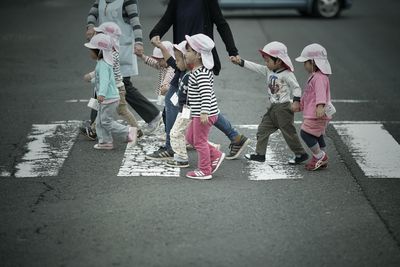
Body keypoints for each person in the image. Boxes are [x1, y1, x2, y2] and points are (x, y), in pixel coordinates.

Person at [149, 0, 249, 160]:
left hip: (198, 59)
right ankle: (236, 137)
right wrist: (155, 33)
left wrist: (232, 50)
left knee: (175, 101)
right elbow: (167, 19)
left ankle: (171, 147)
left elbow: (221, 23)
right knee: (197, 104)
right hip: (183, 58)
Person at [86, 0, 162, 135]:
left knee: (122, 84)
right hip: (105, 48)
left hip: (122, 49)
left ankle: (153, 116)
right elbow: (93, 12)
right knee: (105, 81)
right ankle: (93, 125)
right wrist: (90, 26)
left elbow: (136, 23)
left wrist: (138, 42)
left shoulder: (128, 1)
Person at [231, 41, 308, 164]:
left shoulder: (287, 74)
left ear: (278, 61)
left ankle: (301, 154)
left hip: (284, 109)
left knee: (289, 133)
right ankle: (260, 154)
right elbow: (255, 67)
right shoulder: (268, 70)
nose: (265, 63)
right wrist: (241, 62)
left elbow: (297, 88)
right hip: (273, 108)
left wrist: (296, 101)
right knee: (262, 129)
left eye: (268, 61)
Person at [83, 22, 142, 139]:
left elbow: (105, 72)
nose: (96, 35)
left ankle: (136, 130)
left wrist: (91, 76)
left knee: (120, 110)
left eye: (100, 33)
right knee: (105, 110)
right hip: (113, 88)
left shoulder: (110, 53)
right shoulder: (110, 50)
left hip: (113, 89)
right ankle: (94, 129)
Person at [184, 34, 225, 180]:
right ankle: (215, 155)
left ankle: (204, 170)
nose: (185, 53)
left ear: (198, 55)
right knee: (190, 137)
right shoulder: (196, 70)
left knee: (199, 141)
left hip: (205, 113)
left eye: (188, 51)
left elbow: (206, 94)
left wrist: (204, 112)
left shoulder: (201, 73)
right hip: (199, 112)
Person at [135, 41, 178, 160]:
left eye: (160, 59)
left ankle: (172, 137)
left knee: (170, 117)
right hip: (167, 98)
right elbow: (153, 63)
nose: (158, 62)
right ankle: (169, 134)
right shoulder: (163, 64)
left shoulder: (172, 67)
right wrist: (142, 56)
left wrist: (165, 86)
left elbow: (169, 81)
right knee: (166, 116)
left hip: (172, 98)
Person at [295, 43, 333, 171]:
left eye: (305, 62)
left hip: (317, 113)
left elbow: (320, 93)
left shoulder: (319, 78)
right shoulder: (315, 76)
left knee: (305, 133)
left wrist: (320, 106)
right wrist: (301, 105)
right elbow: (309, 94)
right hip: (315, 113)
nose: (304, 65)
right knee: (316, 135)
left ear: (313, 62)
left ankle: (320, 156)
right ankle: (320, 157)